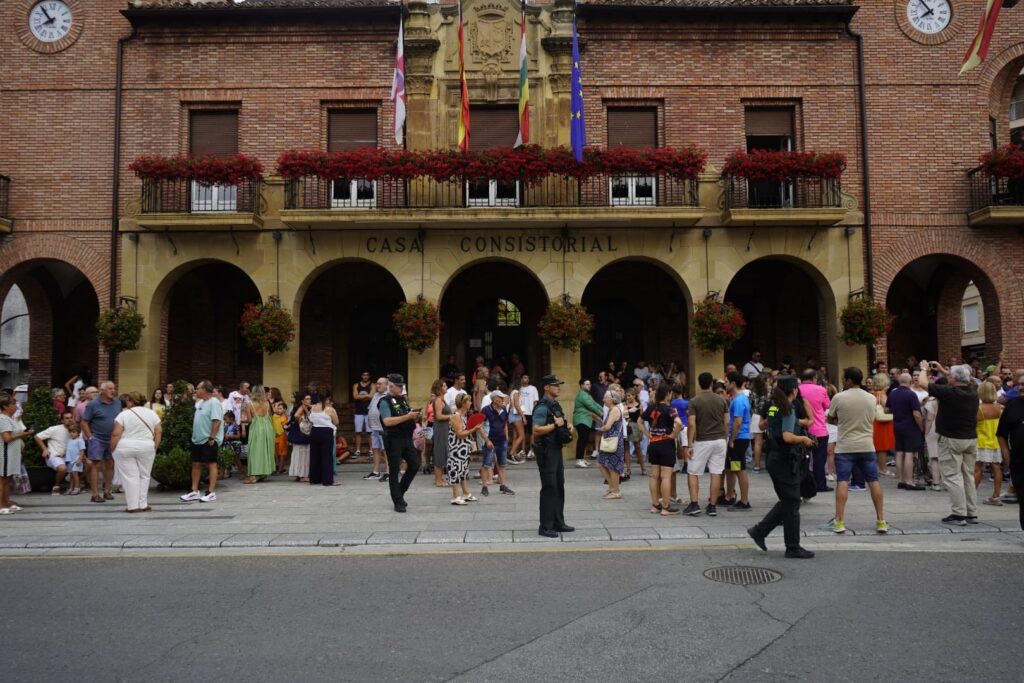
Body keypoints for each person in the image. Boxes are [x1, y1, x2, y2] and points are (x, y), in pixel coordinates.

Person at [747, 375, 817, 558]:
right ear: (794, 390)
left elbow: (764, 424)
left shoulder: (773, 406)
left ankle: (760, 531)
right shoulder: (788, 408)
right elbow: (787, 436)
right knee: (792, 501)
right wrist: (804, 439)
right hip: (786, 459)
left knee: (788, 500)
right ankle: (792, 546)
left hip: (773, 457)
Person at [825, 368, 888, 534]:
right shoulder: (871, 398)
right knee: (873, 481)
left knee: (842, 482)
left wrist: (842, 422)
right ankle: (881, 520)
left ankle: (839, 521)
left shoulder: (839, 397)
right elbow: (872, 418)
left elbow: (830, 418)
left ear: (849, 380)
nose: (842, 381)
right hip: (867, 445)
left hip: (845, 446)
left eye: (843, 379)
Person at [920, 362, 981, 526]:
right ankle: (971, 512)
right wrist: (942, 370)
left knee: (953, 476)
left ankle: (958, 514)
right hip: (970, 438)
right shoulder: (973, 391)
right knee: (967, 476)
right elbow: (963, 378)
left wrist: (924, 368)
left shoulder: (949, 393)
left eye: (950, 376)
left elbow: (923, 383)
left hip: (951, 439)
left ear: (954, 379)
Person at [533, 374, 575, 537]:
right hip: (546, 451)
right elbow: (536, 429)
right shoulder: (542, 407)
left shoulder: (555, 405)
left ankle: (558, 522)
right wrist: (554, 426)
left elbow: (560, 422)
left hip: (556, 449)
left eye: (559, 385)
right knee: (549, 487)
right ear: (546, 387)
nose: (559, 388)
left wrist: (567, 426)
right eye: (555, 385)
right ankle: (545, 526)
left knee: (558, 485)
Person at [684, 372, 729, 517]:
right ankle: (712, 506)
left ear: (699, 384)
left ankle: (694, 504)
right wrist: (725, 438)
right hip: (720, 440)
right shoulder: (721, 400)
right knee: (716, 472)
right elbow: (726, 422)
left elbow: (692, 424)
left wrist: (689, 444)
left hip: (702, 440)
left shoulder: (694, 401)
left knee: (693, 472)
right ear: (711, 384)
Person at [109, 392, 161, 513]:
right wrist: (155, 446)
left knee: (130, 477)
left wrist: (112, 448)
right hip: (146, 446)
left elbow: (116, 434)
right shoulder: (152, 414)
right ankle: (143, 504)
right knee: (145, 475)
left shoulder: (123, 414)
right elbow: (158, 431)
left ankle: (132, 506)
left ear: (130, 401)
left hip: (125, 446)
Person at [378, 374, 420, 512]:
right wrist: (407, 417)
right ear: (391, 387)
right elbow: (387, 421)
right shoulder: (385, 401)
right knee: (394, 469)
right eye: (399, 386)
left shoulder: (402, 399)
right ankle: (398, 501)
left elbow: (406, 414)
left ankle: (400, 492)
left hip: (406, 437)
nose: (402, 388)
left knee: (415, 464)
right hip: (393, 439)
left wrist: (414, 416)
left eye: (402, 386)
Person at [641, 384, 682, 515]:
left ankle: (655, 505)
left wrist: (648, 435)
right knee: (666, 477)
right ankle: (666, 506)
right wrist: (673, 435)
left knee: (654, 476)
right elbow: (679, 423)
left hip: (653, 444)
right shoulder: (670, 409)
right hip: (666, 444)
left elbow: (639, 421)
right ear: (667, 394)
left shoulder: (651, 407)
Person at [180, 380, 222, 503]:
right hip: (197, 439)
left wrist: (212, 437)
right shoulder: (201, 402)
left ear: (205, 390)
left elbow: (217, 421)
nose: (196, 390)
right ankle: (194, 490)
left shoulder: (214, 402)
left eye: (198, 388)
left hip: (208, 439)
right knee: (196, 464)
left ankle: (211, 492)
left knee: (211, 464)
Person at [82, 381, 123, 504]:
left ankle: (107, 491)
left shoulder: (117, 403)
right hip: (97, 439)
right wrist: (90, 437)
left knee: (110, 464)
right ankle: (95, 494)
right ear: (102, 391)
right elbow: (84, 422)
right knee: (96, 465)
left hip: (112, 439)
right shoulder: (93, 404)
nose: (113, 391)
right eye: (110, 388)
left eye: (114, 388)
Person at [888, 373, 925, 491]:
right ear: (910, 382)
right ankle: (909, 481)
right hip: (910, 427)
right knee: (909, 453)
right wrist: (921, 427)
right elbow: (916, 414)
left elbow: (886, 409)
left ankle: (901, 480)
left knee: (899, 452)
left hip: (897, 425)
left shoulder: (893, 393)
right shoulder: (911, 394)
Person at [996, 387, 1024, 530]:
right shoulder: (1012, 405)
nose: (1021, 387)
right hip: (1019, 463)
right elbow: (1001, 434)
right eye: (1020, 384)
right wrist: (1006, 457)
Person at [799, 369, 831, 493]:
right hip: (819, 429)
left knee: (802, 458)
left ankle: (803, 483)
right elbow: (827, 405)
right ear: (814, 378)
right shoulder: (821, 389)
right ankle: (820, 484)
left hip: (802, 429)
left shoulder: (797, 389)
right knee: (819, 459)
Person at [446, 393, 481, 505]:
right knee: (455, 470)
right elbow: (460, 434)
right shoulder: (456, 416)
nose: (470, 403)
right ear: (463, 403)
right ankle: (455, 496)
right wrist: (474, 429)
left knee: (463, 471)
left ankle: (465, 493)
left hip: (463, 448)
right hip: (457, 448)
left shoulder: (462, 416)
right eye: (468, 401)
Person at [0, 394, 33, 514]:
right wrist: (22, 435)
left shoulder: (10, 419)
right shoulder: (3, 419)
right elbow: (7, 438)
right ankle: (1, 505)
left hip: (12, 454)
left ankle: (7, 502)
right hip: (5, 454)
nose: (16, 406)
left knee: (8, 479)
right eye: (13, 404)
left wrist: (23, 433)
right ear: (5, 406)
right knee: (3, 480)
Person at [725, 373, 753, 510]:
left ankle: (744, 501)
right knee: (731, 467)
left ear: (733, 383)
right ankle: (729, 495)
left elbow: (738, 422)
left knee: (739, 468)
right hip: (739, 438)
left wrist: (732, 440)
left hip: (739, 439)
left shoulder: (738, 400)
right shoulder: (739, 398)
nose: (725, 384)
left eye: (727, 381)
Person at [975, 381, 1004, 506]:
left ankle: (971, 495)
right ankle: (996, 496)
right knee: (996, 468)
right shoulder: (1000, 408)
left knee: (977, 468)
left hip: (980, 441)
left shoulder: (978, 408)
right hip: (995, 441)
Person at [594, 389, 627, 500]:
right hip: (609, 441)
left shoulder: (615, 410)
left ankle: (616, 491)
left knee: (613, 467)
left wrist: (599, 429)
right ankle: (612, 487)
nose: (603, 399)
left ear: (612, 399)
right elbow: (606, 424)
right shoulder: (611, 409)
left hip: (614, 442)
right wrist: (597, 419)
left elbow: (607, 427)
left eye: (605, 397)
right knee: (601, 464)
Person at [481, 390, 514, 496]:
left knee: (502, 464)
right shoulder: (486, 410)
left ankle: (503, 485)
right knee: (486, 464)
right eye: (501, 398)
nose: (503, 400)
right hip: (490, 440)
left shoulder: (503, 409)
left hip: (501, 440)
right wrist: (487, 440)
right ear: (495, 399)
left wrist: (506, 438)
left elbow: (505, 424)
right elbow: (480, 426)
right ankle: (484, 487)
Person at [35, 410, 75, 495]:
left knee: (89, 464)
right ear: (62, 420)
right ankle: (56, 486)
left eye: (71, 417)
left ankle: (73, 486)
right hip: (55, 456)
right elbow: (37, 437)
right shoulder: (55, 429)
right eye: (67, 418)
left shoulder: (76, 430)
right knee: (62, 468)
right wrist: (45, 449)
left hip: (70, 456)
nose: (70, 420)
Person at [242, 386, 276, 484]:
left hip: (256, 427)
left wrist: (242, 421)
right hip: (268, 427)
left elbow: (249, 420)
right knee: (266, 450)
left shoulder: (249, 404)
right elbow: (270, 415)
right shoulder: (267, 403)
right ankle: (263, 474)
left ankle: (253, 476)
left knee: (254, 451)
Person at [307, 390, 338, 487]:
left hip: (315, 431)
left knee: (315, 456)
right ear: (327, 399)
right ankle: (327, 480)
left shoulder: (313, 407)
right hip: (326, 432)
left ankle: (314, 478)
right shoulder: (330, 409)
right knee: (327, 456)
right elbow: (336, 422)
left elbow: (310, 419)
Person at [572, 379, 603, 470]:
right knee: (582, 440)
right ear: (581, 385)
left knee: (584, 440)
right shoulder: (582, 395)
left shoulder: (587, 395)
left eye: (589, 384)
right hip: (581, 420)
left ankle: (582, 458)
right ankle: (579, 460)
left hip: (585, 420)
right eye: (587, 384)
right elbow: (591, 406)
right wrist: (600, 413)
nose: (589, 385)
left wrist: (603, 410)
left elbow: (595, 404)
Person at [364, 377, 390, 482]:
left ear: (386, 385)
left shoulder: (389, 396)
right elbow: (371, 409)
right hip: (374, 428)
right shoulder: (375, 395)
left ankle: (389, 472)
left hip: (383, 428)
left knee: (386, 450)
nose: (377, 386)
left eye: (380, 384)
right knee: (375, 449)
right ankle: (376, 472)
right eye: (377, 384)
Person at [872, 372, 896, 478]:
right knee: (882, 447)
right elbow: (888, 407)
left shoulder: (874, 393)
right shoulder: (881, 394)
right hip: (882, 422)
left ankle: (880, 468)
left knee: (879, 446)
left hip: (876, 421)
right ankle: (883, 469)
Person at [430, 379, 451, 487]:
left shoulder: (442, 399)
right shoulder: (438, 400)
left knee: (443, 451)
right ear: (439, 388)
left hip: (445, 427)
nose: (446, 387)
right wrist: (452, 416)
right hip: (440, 428)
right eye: (444, 386)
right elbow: (438, 416)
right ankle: (438, 480)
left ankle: (440, 478)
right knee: (439, 451)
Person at [287, 392, 312, 483]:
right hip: (302, 434)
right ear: (302, 400)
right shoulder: (301, 407)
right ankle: (303, 475)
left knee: (299, 454)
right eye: (307, 399)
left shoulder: (301, 407)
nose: (309, 400)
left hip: (299, 434)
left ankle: (299, 474)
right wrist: (301, 420)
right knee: (303, 454)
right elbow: (296, 415)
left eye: (310, 399)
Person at [750, 375, 769, 473]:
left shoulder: (752, 393)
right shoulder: (769, 392)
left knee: (757, 443)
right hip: (768, 416)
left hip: (756, 416)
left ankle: (757, 466)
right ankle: (769, 464)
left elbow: (750, 406)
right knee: (770, 441)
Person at [352, 371, 373, 457]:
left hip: (369, 411)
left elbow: (372, 396)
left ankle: (371, 450)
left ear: (369, 376)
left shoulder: (373, 385)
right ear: (361, 376)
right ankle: (358, 450)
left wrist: (360, 397)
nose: (365, 376)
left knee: (370, 432)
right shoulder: (356, 385)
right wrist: (367, 396)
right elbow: (355, 396)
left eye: (367, 375)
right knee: (358, 432)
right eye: (364, 375)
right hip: (358, 412)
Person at [518, 374, 539, 458]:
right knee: (522, 433)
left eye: (527, 378)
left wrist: (535, 412)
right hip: (521, 413)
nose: (525, 379)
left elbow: (535, 402)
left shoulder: (533, 388)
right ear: (521, 379)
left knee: (531, 432)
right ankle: (522, 450)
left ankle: (531, 450)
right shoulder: (519, 389)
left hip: (531, 413)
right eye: (524, 377)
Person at [63, 424, 86, 495]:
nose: (71, 433)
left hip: (76, 460)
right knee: (71, 475)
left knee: (75, 474)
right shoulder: (69, 440)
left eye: (73, 432)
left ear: (78, 432)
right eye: (70, 432)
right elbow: (68, 449)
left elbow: (82, 450)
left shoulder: (80, 441)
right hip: (70, 460)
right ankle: (71, 488)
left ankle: (77, 488)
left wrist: (79, 459)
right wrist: (62, 454)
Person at [272, 400, 288, 474]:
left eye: (280, 408)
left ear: (285, 410)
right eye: (278, 408)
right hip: (275, 437)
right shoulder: (276, 416)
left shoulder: (284, 418)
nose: (278, 410)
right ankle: (277, 466)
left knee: (282, 453)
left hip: (282, 437)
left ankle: (281, 469)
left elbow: (283, 428)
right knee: (276, 453)